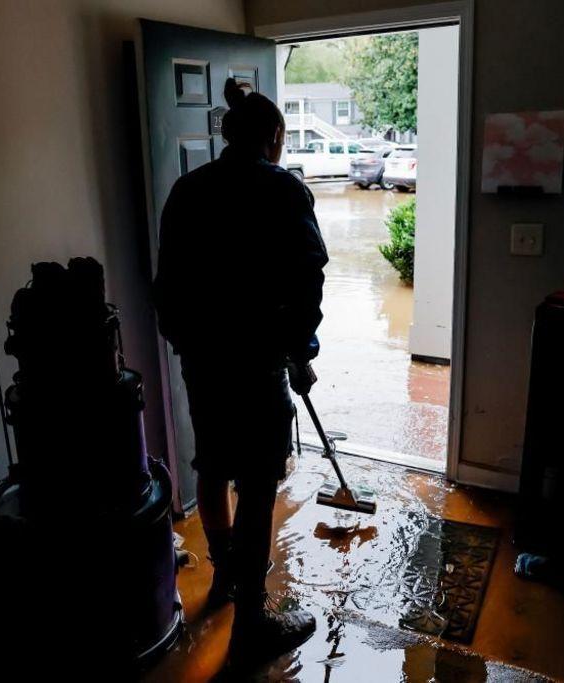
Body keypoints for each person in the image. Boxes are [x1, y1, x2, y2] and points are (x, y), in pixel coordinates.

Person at [154, 77, 328, 663]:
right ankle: (252, 622)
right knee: (257, 485)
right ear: (274, 137)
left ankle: (226, 575)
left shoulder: (187, 190)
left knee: (211, 462)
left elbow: (167, 288)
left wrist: (187, 345)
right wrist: (300, 349)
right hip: (256, 365)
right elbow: (308, 277)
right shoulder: (283, 191)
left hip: (204, 362)